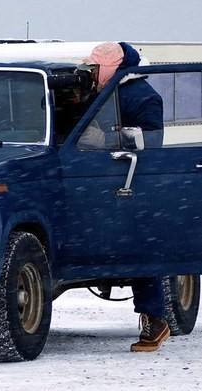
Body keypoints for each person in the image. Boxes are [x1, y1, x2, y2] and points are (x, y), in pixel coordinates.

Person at [77, 41, 169, 352]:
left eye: (95, 67)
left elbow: (151, 140)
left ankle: (154, 318)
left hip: (130, 181)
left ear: (112, 68)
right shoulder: (102, 91)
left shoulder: (142, 96)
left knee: (138, 246)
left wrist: (106, 139)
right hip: (94, 178)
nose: (91, 73)